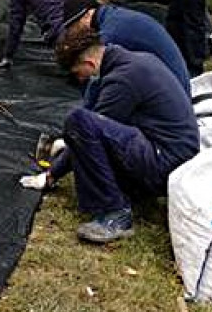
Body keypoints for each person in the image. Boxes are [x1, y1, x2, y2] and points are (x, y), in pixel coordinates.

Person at [20, 32, 200, 244]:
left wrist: (52, 174)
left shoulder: (122, 80)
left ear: (89, 62)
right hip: (177, 157)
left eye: (79, 73)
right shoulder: (138, 61)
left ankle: (114, 213)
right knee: (88, 125)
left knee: (78, 121)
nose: (81, 80)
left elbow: (88, 132)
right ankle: (132, 193)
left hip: (164, 162)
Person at [61, 0, 190, 101]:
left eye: (73, 26)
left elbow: (99, 79)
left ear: (86, 16)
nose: (74, 33)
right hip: (175, 86)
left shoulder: (111, 33)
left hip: (174, 97)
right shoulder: (115, 17)